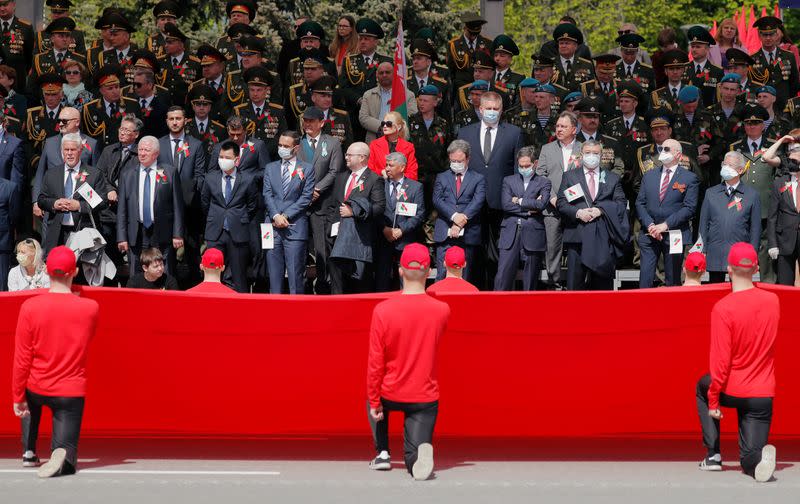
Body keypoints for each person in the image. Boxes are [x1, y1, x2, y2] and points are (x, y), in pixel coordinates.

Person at [12, 246, 99, 477]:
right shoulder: (90, 308)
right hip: (69, 392)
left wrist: (17, 397)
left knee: (29, 399)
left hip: (37, 387)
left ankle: (29, 451)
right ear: (76, 271)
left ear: (46, 271)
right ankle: (61, 453)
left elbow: (22, 358)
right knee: (68, 455)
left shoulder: (29, 307)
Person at [695, 242, 778, 482]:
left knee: (703, 385)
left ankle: (713, 456)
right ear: (757, 268)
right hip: (762, 394)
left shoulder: (723, 308)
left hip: (733, 388)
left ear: (728, 269)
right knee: (749, 459)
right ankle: (756, 459)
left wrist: (713, 401)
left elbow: (720, 363)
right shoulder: (773, 302)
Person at [367, 242, 450, 481]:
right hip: (424, 397)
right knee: (413, 456)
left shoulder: (382, 310)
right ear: (428, 271)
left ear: (400, 271)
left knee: (371, 396)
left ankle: (382, 452)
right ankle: (415, 459)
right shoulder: (442, 310)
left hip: (389, 392)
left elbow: (375, 362)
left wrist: (374, 401)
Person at [457, 91, 523, 288]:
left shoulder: (514, 133)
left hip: (500, 203)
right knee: (473, 252)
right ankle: (473, 291)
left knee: (498, 254)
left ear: (501, 110)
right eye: (489, 109)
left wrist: (515, 197)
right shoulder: (465, 133)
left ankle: (497, 293)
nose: (492, 112)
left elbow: (517, 169)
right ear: (480, 109)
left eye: (496, 109)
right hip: (471, 203)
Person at [556, 140, 629, 290]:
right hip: (577, 237)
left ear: (601, 156)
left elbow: (621, 203)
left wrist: (601, 210)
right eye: (588, 153)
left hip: (603, 239)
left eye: (595, 153)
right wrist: (578, 213)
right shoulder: (570, 176)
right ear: (581, 155)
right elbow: (561, 203)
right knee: (574, 286)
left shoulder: (612, 178)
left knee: (602, 287)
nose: (591, 156)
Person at [636, 138, 700, 288]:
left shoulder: (690, 178)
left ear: (678, 154)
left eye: (666, 149)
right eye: (661, 149)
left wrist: (665, 225)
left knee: (673, 279)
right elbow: (640, 203)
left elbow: (689, 208)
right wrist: (651, 225)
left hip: (674, 233)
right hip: (649, 233)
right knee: (645, 279)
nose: (662, 152)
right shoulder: (649, 176)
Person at [116, 135, 184, 275]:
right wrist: (121, 237)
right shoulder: (127, 174)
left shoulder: (170, 172)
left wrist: (178, 234)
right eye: (140, 149)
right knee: (136, 271)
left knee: (163, 270)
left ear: (156, 153)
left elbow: (178, 206)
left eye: (146, 150)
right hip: (137, 231)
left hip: (162, 231)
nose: (142, 153)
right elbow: (122, 209)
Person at [296, 106, 343, 294]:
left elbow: (335, 171)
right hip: (300, 203)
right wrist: (306, 193)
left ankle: (324, 285)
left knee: (321, 248)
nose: (308, 124)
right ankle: (302, 285)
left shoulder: (332, 143)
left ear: (321, 123)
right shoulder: (297, 143)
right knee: (299, 246)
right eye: (305, 121)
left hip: (322, 203)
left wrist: (316, 189)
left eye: (312, 121)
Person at [328, 142, 385, 294]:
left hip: (359, 239)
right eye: (346, 154)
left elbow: (379, 208)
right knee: (337, 282)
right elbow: (333, 206)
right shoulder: (341, 177)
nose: (346, 157)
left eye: (349, 154)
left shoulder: (374, 179)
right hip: (337, 238)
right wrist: (330, 228)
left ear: (362, 157)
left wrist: (354, 212)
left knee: (359, 284)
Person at [201, 140, 259, 293]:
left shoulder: (247, 179)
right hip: (215, 232)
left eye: (227, 157)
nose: (223, 161)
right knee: (212, 276)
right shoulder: (210, 177)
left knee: (239, 276)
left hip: (238, 232)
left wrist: (239, 218)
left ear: (236, 160)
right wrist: (216, 217)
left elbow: (252, 205)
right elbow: (205, 203)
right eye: (221, 157)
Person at [37, 133, 108, 254]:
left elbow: (102, 202)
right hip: (57, 235)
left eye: (73, 149)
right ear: (62, 151)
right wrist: (54, 203)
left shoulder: (93, 174)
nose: (69, 153)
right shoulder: (51, 173)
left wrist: (80, 206)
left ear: (80, 151)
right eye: (66, 149)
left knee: (79, 272)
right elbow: (41, 200)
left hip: (84, 234)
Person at [263, 131, 315, 294]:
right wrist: (276, 215)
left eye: (286, 146)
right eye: (280, 145)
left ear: (296, 148)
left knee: (295, 275)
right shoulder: (270, 168)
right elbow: (267, 194)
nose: (282, 149)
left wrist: (285, 215)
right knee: (274, 275)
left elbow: (306, 197)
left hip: (295, 227)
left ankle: (296, 314)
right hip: (272, 227)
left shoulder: (307, 169)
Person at [698, 151, 761, 283]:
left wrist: (753, 253)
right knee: (715, 292)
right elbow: (703, 224)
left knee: (739, 294)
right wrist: (701, 250)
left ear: (740, 170)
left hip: (740, 253)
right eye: (724, 164)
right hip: (716, 252)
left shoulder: (751, 195)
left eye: (730, 165)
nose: (725, 168)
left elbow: (755, 228)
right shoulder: (711, 193)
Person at [494, 146, 550, 291]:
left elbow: (542, 204)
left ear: (535, 164)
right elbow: (506, 205)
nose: (524, 168)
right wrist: (529, 210)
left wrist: (519, 201)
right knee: (502, 277)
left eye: (527, 165)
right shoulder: (508, 180)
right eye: (521, 166)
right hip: (510, 233)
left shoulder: (544, 182)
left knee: (530, 280)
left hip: (533, 234)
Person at [537, 111, 582, 289]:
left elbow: (586, 176)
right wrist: (553, 198)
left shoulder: (583, 148)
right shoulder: (547, 149)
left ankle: (575, 285)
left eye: (564, 126)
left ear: (574, 129)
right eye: (557, 126)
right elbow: (541, 176)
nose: (559, 129)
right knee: (552, 247)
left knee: (575, 247)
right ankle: (553, 284)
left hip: (575, 206)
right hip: (552, 206)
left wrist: (569, 201)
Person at [432, 139, 485, 284]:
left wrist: (461, 221)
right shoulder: (442, 177)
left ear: (468, 159)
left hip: (467, 234)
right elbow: (437, 199)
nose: (456, 163)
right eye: (453, 160)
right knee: (441, 277)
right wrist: (454, 216)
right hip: (445, 233)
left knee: (465, 278)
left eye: (459, 160)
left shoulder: (478, 178)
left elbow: (477, 201)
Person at [375, 152, 425, 291]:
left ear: (402, 168)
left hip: (405, 239)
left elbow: (419, 214)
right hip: (383, 238)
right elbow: (374, 210)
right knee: (382, 279)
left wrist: (401, 230)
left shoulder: (415, 187)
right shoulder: (379, 184)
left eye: (391, 165)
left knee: (405, 280)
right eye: (386, 165)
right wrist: (385, 229)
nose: (387, 168)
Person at [766, 136, 800, 285]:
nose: (793, 155)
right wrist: (773, 244)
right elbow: (772, 216)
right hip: (785, 240)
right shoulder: (780, 182)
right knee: (785, 283)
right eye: (790, 151)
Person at [359, 61, 418, 143]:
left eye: (387, 72)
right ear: (377, 75)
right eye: (381, 73)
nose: (384, 75)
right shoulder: (368, 95)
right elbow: (363, 118)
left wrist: (394, 128)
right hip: (375, 139)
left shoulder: (407, 95)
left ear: (394, 74)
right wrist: (384, 127)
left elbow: (413, 116)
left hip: (399, 140)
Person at [367, 111, 419, 180]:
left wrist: (397, 176)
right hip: (380, 183)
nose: (385, 126)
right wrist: (382, 172)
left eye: (389, 124)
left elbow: (413, 174)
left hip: (401, 186)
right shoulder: (374, 144)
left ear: (399, 127)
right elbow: (369, 169)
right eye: (383, 123)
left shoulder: (409, 147)